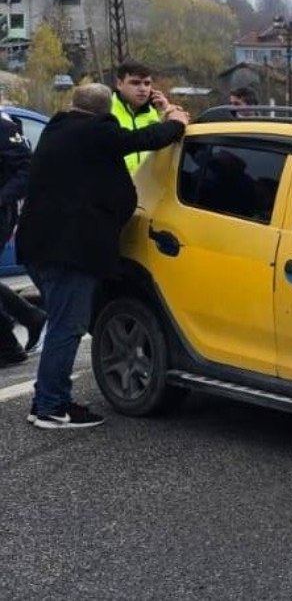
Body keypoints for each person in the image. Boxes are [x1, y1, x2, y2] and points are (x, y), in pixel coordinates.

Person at [17, 83, 189, 429]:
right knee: (67, 328)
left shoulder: (57, 129)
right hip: (71, 251)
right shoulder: (97, 132)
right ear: (105, 111)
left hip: (39, 245)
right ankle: (51, 406)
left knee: (61, 326)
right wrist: (176, 121)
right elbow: (144, 140)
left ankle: (47, 399)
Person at [0, 111, 46, 366]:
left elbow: (26, 170)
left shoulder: (4, 128)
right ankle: (29, 316)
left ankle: (7, 345)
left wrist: (2, 197)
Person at [111, 61, 172, 175]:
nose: (143, 89)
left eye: (147, 83)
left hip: (151, 186)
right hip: (115, 186)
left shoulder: (156, 111)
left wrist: (167, 111)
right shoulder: (105, 110)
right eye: (135, 83)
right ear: (119, 84)